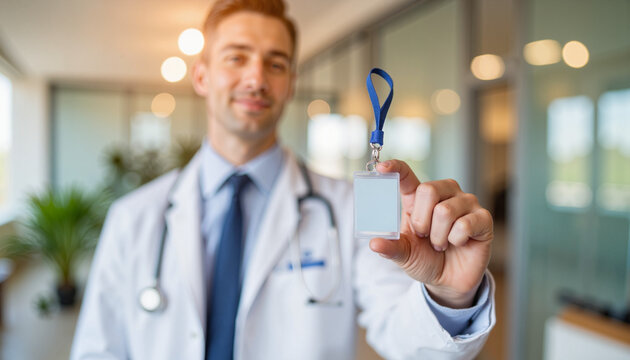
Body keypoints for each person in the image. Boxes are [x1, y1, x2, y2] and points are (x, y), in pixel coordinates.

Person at [71, 0, 496, 359]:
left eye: (275, 63)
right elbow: (97, 349)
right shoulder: (133, 217)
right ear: (201, 76)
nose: (256, 79)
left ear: (291, 84)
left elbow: (405, 339)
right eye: (236, 57)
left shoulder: (348, 208)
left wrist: (449, 297)